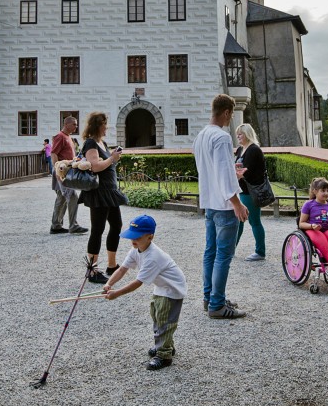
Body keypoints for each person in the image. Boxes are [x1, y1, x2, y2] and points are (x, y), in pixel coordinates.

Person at [102, 214, 187, 371]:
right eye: (131, 237)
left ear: (150, 237)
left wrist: (116, 293)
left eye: (137, 237)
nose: (133, 241)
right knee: (156, 315)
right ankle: (166, 344)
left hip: (172, 289)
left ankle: (164, 355)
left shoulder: (153, 257)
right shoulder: (136, 249)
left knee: (165, 320)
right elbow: (122, 269)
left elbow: (137, 282)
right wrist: (109, 283)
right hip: (161, 287)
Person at [193, 94, 249, 319]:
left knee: (210, 253)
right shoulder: (222, 137)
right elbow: (224, 174)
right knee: (223, 256)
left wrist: (231, 174)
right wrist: (237, 203)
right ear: (226, 112)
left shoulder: (201, 136)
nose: (231, 118)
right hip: (225, 205)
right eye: (231, 114)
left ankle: (210, 297)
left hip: (209, 202)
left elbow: (210, 170)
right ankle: (217, 304)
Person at [78, 112, 128, 284]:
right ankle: (92, 271)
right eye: (105, 124)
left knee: (116, 225)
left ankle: (112, 265)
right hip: (99, 193)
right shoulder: (91, 143)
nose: (107, 127)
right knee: (97, 230)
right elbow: (95, 166)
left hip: (109, 192)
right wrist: (112, 159)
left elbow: (104, 163)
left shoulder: (102, 143)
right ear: (98, 125)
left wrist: (112, 156)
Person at [234, 123, 267, 261]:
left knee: (254, 221)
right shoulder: (241, 149)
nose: (238, 137)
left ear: (247, 134)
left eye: (240, 134)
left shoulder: (254, 150)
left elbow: (254, 172)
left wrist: (240, 174)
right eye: (237, 134)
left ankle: (260, 252)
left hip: (251, 191)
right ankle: (231, 249)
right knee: (239, 221)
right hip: (243, 190)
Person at [50, 116, 87, 235]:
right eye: (74, 124)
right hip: (62, 172)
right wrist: (56, 170)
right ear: (66, 124)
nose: (76, 127)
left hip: (67, 171)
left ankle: (56, 226)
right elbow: (53, 153)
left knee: (61, 198)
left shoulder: (68, 137)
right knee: (72, 197)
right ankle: (73, 226)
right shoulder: (60, 136)